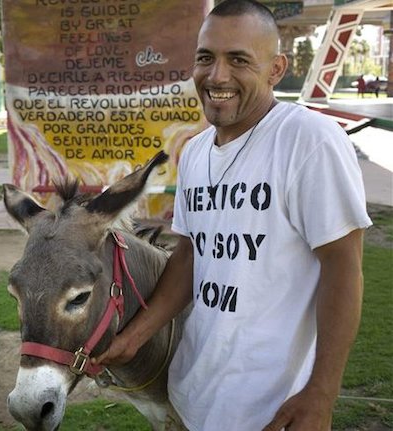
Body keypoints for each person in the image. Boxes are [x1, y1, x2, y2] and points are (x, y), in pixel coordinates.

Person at [93, 1, 372, 430]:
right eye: (206, 58)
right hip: (190, 397)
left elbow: (343, 267)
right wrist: (135, 335)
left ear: (276, 69)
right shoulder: (196, 152)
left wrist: (321, 393)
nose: (217, 75)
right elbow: (189, 257)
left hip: (271, 412)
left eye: (238, 59)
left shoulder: (308, 140)